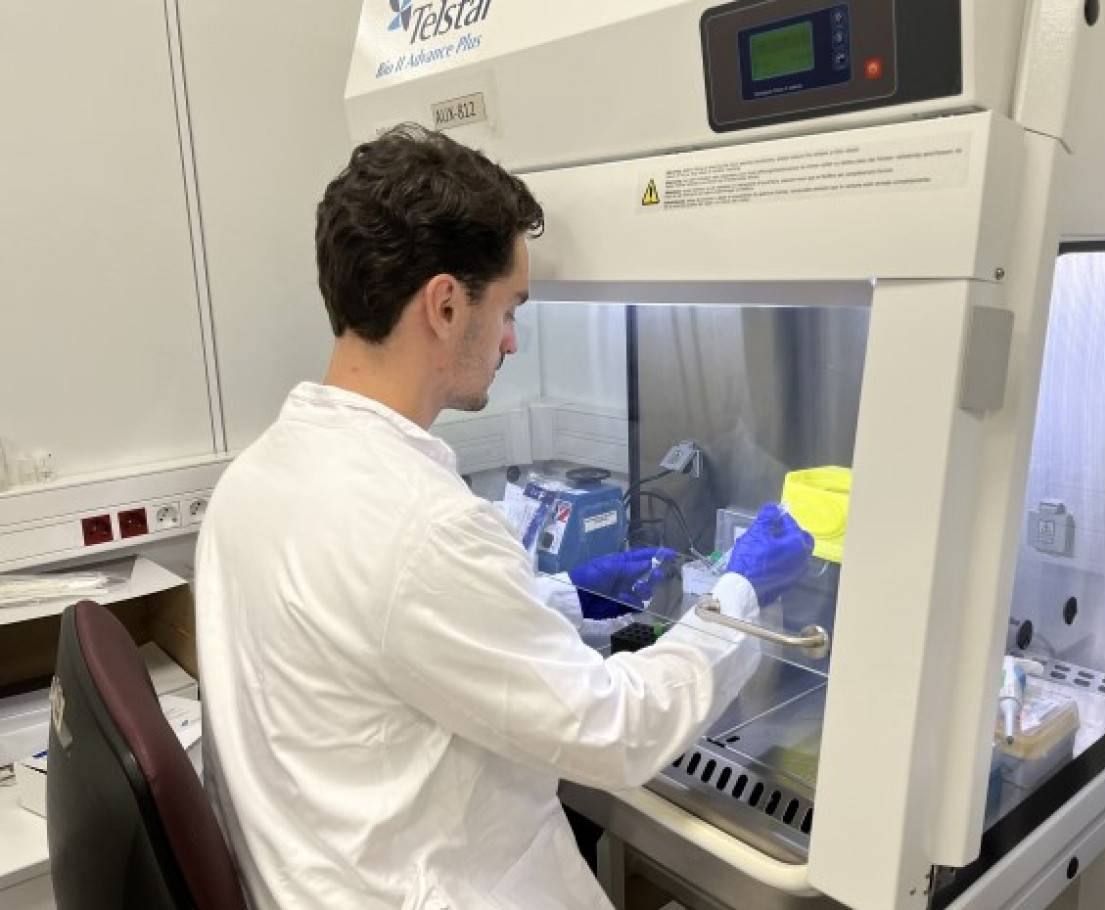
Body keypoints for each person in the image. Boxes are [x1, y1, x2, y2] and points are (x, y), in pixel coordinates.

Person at [195, 123, 812, 910]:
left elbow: (395, 631)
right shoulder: (420, 527)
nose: (513, 341)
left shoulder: (254, 480)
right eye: (511, 307)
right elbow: (618, 731)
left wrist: (568, 596)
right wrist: (739, 596)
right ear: (447, 305)